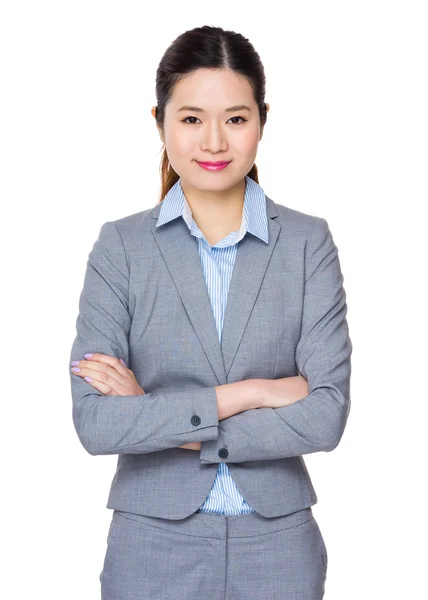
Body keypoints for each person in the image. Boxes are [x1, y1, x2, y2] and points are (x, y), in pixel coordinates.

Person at [69, 24, 352, 600]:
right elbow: (97, 424)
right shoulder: (121, 248)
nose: (215, 142)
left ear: (262, 122)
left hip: (279, 543)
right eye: (192, 118)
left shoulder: (305, 243)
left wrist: (159, 417)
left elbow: (325, 417)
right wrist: (252, 392)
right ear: (160, 121)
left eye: (237, 118)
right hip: (151, 543)